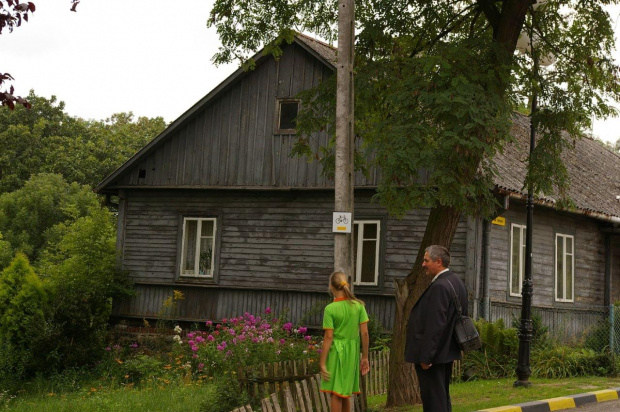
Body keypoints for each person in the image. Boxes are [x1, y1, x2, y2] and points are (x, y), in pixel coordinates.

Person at [405, 245, 468, 412]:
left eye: (426, 260)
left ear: (438, 262)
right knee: (441, 397)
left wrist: (427, 357)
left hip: (434, 356)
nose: (423, 264)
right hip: (446, 352)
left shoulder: (440, 286)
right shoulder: (457, 282)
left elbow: (435, 325)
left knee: (433, 401)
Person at [320, 271, 370, 412]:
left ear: (331, 287)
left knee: (336, 393)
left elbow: (329, 337)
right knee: (345, 391)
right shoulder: (359, 306)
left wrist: (322, 362)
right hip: (353, 352)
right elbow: (365, 333)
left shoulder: (330, 309)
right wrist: (365, 357)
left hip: (336, 352)